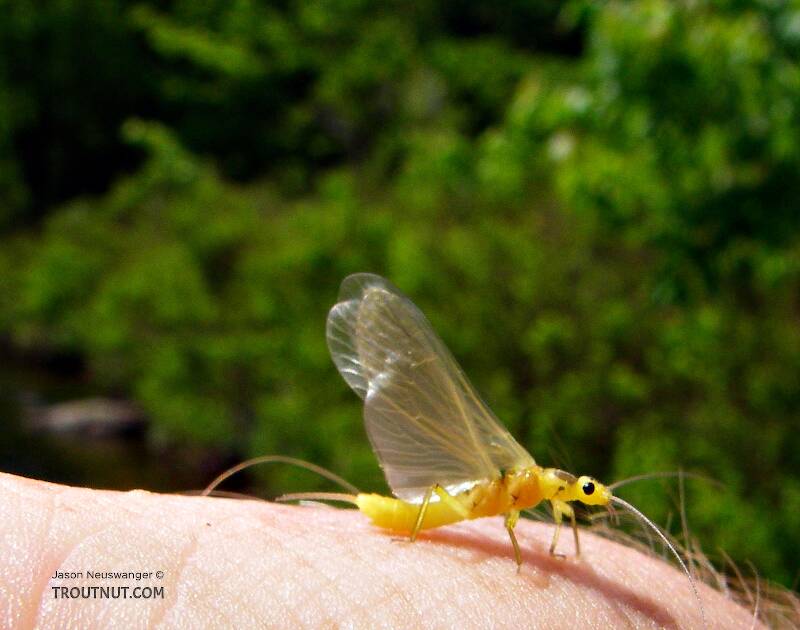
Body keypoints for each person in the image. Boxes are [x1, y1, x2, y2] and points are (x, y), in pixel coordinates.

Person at [1, 472, 760, 628]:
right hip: (414, 510)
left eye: (587, 500)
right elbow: (508, 527)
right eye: (586, 495)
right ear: (571, 489)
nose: (585, 504)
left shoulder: (550, 499)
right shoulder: (525, 488)